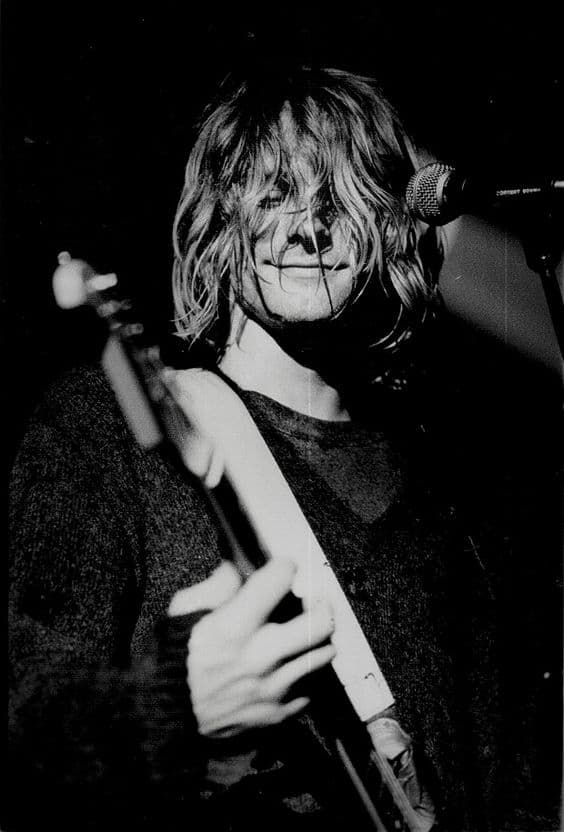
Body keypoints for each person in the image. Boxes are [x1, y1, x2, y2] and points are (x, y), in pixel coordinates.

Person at [8, 65, 501, 832]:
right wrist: (175, 709)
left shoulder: (448, 483)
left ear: (394, 222)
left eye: (340, 198)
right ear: (220, 219)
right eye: (275, 194)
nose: (309, 227)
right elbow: (25, 718)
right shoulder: (108, 424)